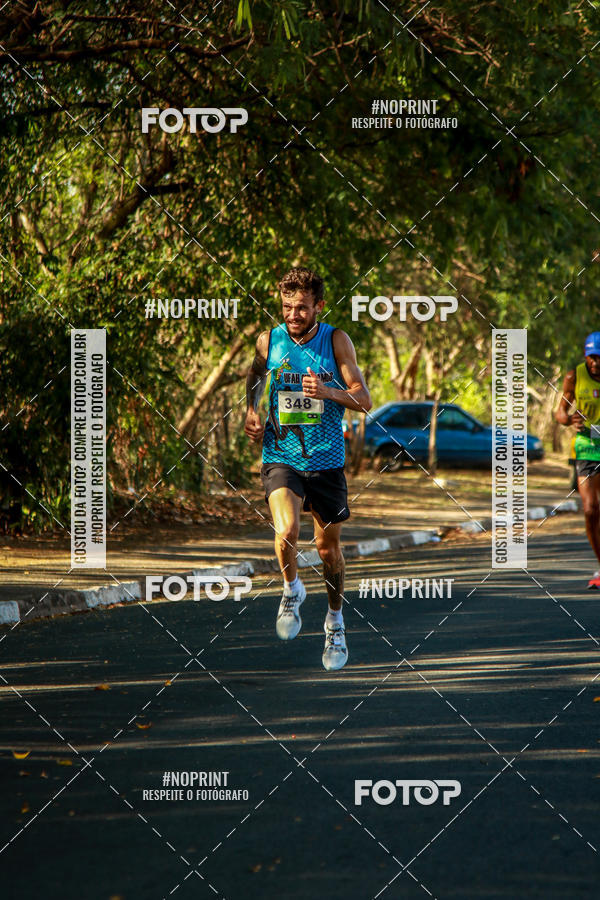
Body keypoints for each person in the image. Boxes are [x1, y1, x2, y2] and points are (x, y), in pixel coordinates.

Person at [244, 266, 371, 669]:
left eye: (301, 308)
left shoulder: (336, 340)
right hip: (281, 455)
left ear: (318, 305)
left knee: (327, 549)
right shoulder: (270, 340)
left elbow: (364, 398)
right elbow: (254, 373)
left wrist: (328, 391)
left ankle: (335, 621)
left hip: (327, 459)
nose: (293, 315)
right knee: (286, 531)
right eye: (286, 307)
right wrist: (250, 409)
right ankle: (291, 588)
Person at [556, 332, 600, 588]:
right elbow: (560, 412)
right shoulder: (574, 376)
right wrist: (567, 419)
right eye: (591, 357)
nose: (595, 362)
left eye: (599, 357)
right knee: (591, 509)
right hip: (586, 447)